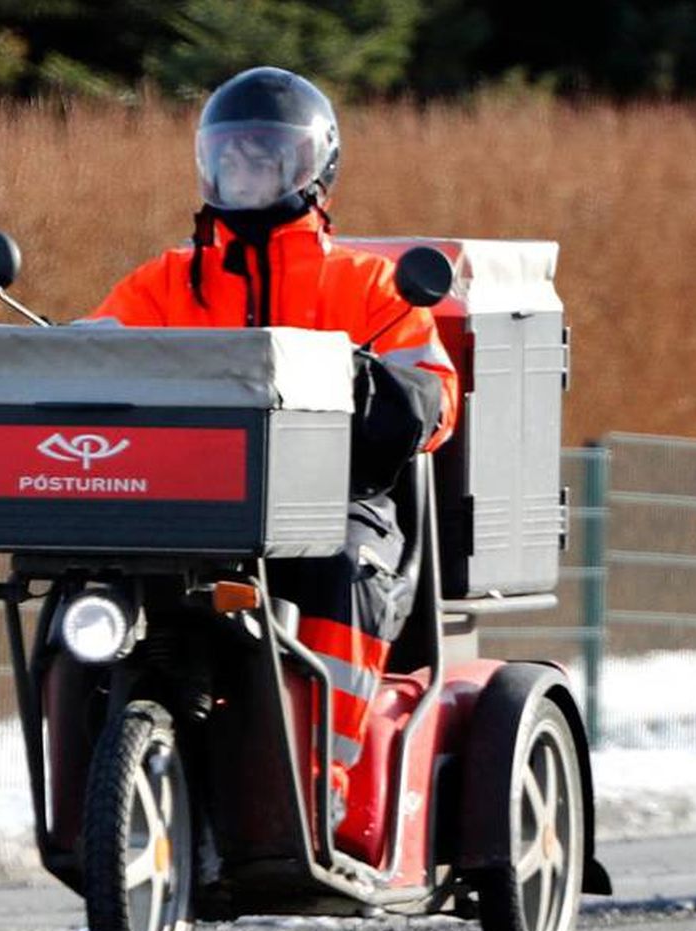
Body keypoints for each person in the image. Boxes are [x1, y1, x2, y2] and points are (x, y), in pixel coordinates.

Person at [91, 66, 458, 827]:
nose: (248, 172)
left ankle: (328, 776)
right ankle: (98, 776)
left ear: (313, 167)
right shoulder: (166, 282)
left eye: (268, 157)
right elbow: (93, 354)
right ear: (208, 164)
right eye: (233, 157)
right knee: (83, 579)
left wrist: (370, 390)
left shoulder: (371, 285)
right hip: (187, 501)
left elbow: (435, 394)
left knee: (342, 565)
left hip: (335, 499)